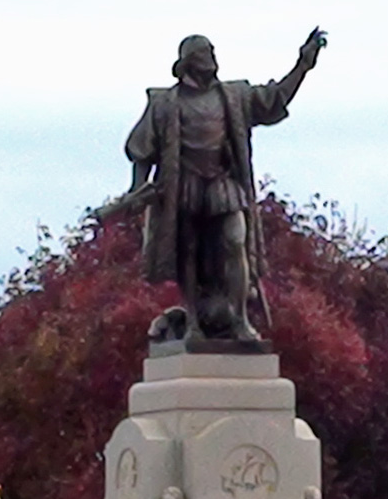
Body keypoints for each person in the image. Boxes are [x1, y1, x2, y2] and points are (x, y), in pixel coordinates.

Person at [125, 29, 326, 341]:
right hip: (184, 186)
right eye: (204, 54)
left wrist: (302, 66)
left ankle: (239, 319)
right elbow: (142, 149)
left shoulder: (234, 96)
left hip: (222, 182)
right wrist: (137, 189)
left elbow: (274, 99)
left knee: (235, 240)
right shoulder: (164, 103)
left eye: (212, 52)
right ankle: (192, 322)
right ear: (189, 62)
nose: (212, 59)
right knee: (188, 252)